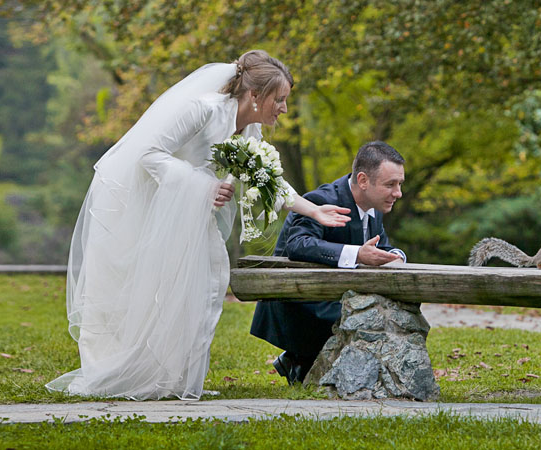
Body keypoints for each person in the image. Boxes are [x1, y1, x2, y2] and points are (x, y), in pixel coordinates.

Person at [46, 50, 351, 401]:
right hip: (150, 208)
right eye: (279, 100)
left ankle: (177, 378)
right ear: (255, 96)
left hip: (193, 216)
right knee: (160, 290)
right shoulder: (201, 110)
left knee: (206, 284)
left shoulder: (249, 128)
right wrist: (203, 186)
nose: (283, 108)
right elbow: (148, 154)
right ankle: (135, 372)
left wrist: (313, 211)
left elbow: (265, 177)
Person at [250, 141, 407, 384]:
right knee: (370, 314)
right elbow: (298, 244)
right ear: (363, 180)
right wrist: (356, 254)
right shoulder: (322, 199)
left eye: (399, 184)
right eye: (390, 185)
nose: (398, 193)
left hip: (333, 295)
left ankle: (301, 362)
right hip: (301, 300)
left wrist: (396, 256)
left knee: (393, 309)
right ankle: (302, 359)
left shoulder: (373, 207)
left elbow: (381, 247)